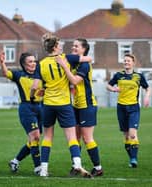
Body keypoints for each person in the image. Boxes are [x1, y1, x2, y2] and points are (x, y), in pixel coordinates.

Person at [31, 33, 92, 177]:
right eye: (60, 44)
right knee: (71, 137)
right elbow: (89, 58)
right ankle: (77, 164)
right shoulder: (67, 58)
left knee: (47, 137)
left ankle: (43, 169)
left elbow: (34, 86)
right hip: (64, 104)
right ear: (56, 46)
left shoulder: (41, 63)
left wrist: (34, 95)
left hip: (48, 104)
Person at [55, 38, 103, 176]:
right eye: (73, 46)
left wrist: (64, 66)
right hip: (75, 105)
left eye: (77, 46)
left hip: (87, 106)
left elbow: (75, 80)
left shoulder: (85, 65)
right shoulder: (75, 63)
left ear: (84, 49)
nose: (73, 48)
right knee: (75, 138)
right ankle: (77, 166)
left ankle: (98, 168)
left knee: (87, 138)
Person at [0, 51, 43, 175]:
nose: (34, 63)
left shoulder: (40, 75)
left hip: (40, 108)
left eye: (34, 61)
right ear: (24, 64)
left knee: (34, 139)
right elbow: (6, 73)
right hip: (26, 108)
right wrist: (2, 63)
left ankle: (15, 161)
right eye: (30, 61)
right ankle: (38, 168)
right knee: (35, 137)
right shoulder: (19, 75)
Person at [106, 54, 150, 168]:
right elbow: (108, 86)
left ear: (133, 63)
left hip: (133, 108)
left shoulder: (139, 76)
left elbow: (148, 88)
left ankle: (134, 159)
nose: (126, 62)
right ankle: (132, 158)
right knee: (126, 136)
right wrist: (114, 89)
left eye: (128, 61)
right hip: (121, 107)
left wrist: (146, 97)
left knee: (132, 134)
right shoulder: (118, 75)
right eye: (125, 61)